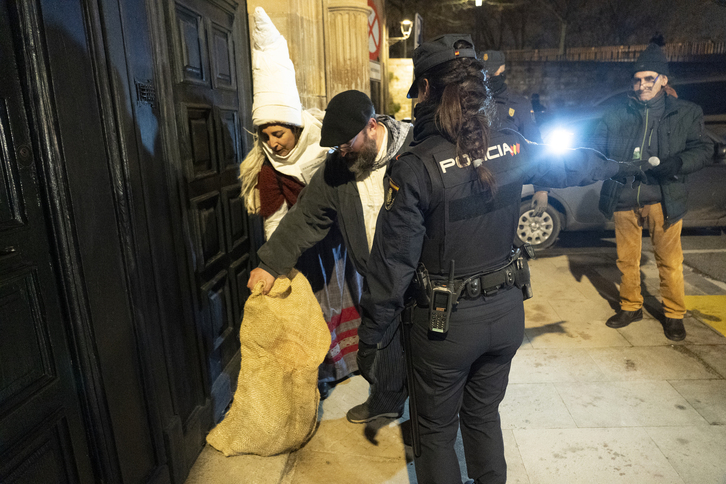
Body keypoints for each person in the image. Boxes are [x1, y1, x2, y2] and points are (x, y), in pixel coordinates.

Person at [355, 34, 638, 484]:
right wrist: (624, 163)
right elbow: (573, 165)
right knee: (483, 418)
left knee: (435, 431)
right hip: (506, 316)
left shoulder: (415, 166)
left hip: (444, 328)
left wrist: (370, 339)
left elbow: (392, 267)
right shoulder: (513, 144)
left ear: (425, 90)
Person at [246, 89, 414, 421]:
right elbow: (306, 216)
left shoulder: (413, 154)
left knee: (426, 357)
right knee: (379, 352)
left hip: (418, 277)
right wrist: (270, 264)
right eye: (335, 147)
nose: (341, 152)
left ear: (371, 125)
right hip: (376, 280)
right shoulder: (338, 166)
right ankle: (385, 399)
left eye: (347, 143)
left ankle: (426, 423)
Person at [239, 7, 362, 394]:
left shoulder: (326, 147)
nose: (274, 143)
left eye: (279, 133)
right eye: (266, 136)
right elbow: (275, 219)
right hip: (301, 247)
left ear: (295, 126)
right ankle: (321, 373)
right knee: (313, 309)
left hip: (338, 242)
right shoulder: (269, 167)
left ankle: (354, 362)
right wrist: (279, 264)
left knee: (346, 296)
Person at [593, 43, 712, 341]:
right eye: (638, 79)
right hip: (624, 197)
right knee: (626, 259)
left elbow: (703, 148)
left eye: (649, 78)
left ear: (663, 79)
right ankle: (631, 306)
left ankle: (673, 314)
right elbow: (596, 146)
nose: (642, 84)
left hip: (663, 197)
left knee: (669, 262)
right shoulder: (616, 112)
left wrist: (679, 162)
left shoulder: (686, 112)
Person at [482, 50, 548, 217]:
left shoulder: (518, 105)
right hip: (473, 188)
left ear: (502, 70)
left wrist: (542, 189)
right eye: (484, 72)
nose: (487, 76)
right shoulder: (469, 102)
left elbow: (535, 145)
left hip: (507, 190)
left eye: (491, 72)